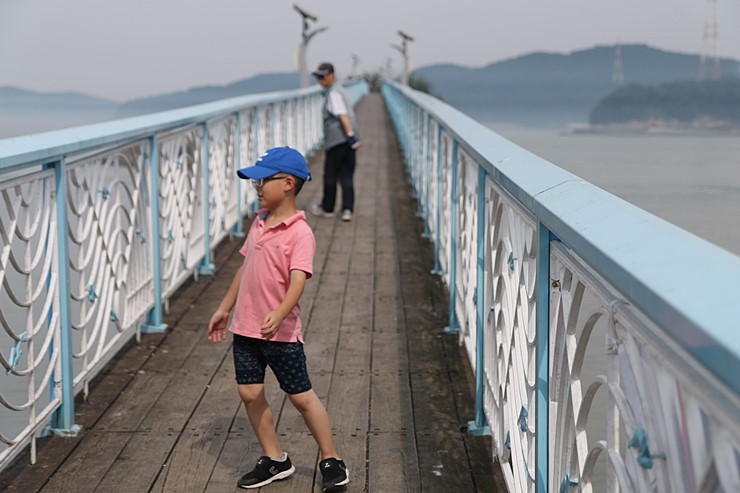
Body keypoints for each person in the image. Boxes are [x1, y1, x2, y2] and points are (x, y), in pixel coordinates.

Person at [207, 146, 350, 492]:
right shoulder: (259, 222)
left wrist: (280, 312)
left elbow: (299, 279)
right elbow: (245, 268)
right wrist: (225, 308)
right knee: (249, 392)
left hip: (281, 334)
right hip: (245, 329)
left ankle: (330, 458)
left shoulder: (299, 233)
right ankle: (275, 459)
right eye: (254, 180)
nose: (256, 186)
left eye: (262, 179)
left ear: (287, 183)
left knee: (300, 396)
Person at [309, 62, 361, 222]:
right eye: (318, 77)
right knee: (347, 175)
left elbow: (342, 115)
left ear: (331, 75)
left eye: (323, 77)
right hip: (348, 140)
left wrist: (350, 135)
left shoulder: (333, 93)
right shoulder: (341, 90)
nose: (320, 80)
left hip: (338, 140)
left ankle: (328, 207)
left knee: (330, 175)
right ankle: (347, 209)